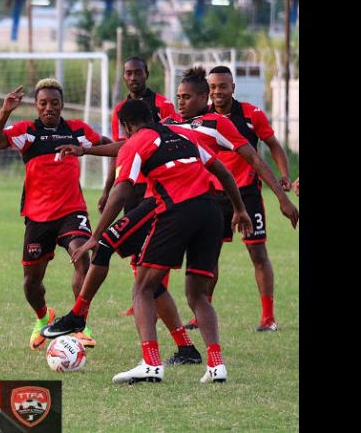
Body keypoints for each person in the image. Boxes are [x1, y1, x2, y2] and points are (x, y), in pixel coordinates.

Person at [50, 99, 252, 384]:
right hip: (212, 211)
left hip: (176, 212)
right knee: (197, 294)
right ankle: (216, 365)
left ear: (128, 126)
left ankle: (151, 364)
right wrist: (240, 209)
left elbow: (121, 192)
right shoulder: (186, 134)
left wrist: (94, 237)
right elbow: (223, 171)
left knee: (143, 288)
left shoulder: (135, 142)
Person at [0, 78, 108, 351]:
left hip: (71, 211)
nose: (49, 108)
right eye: (43, 103)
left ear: (62, 104)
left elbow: (112, 146)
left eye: (54, 103)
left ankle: (79, 323)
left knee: (82, 257)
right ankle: (43, 318)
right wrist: (5, 112)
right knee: (31, 282)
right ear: (37, 106)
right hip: (38, 217)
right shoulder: (26, 132)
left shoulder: (77, 130)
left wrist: (112, 180)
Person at [181, 65, 298, 332]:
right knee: (210, 256)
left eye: (223, 86)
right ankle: (202, 312)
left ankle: (268, 317)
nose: (218, 92)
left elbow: (272, 147)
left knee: (257, 252)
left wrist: (284, 178)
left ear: (233, 87)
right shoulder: (202, 118)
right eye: (212, 87)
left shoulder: (251, 115)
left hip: (247, 192)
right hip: (213, 195)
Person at [104, 57, 178, 317]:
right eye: (128, 73)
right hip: (132, 184)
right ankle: (142, 296)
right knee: (135, 243)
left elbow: (175, 134)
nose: (133, 77)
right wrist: (107, 189)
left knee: (157, 242)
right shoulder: (120, 109)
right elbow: (119, 149)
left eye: (137, 72)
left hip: (159, 184)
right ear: (123, 76)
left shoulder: (163, 104)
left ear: (147, 73)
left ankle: (154, 295)